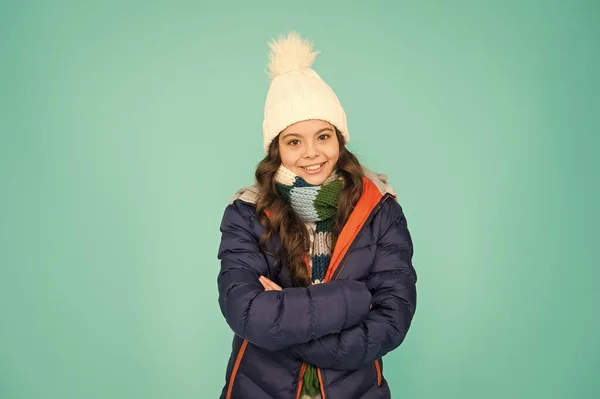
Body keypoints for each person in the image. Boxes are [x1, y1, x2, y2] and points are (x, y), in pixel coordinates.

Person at [216, 31, 418, 399]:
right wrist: (356, 299)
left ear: (340, 140)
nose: (312, 153)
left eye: (323, 136)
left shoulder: (381, 211)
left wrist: (286, 322)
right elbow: (247, 312)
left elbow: (392, 319)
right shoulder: (245, 213)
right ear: (277, 149)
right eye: (294, 141)